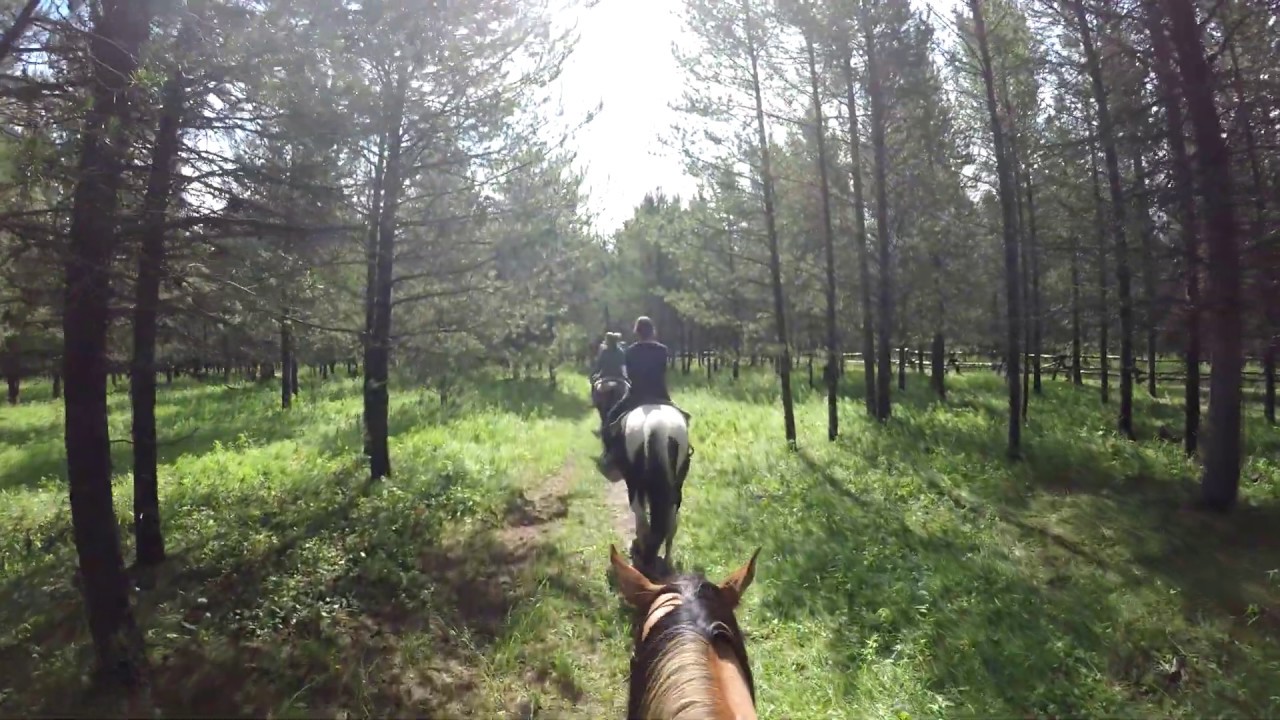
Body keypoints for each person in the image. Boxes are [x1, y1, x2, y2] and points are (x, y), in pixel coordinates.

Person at [600, 316, 689, 468]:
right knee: (685, 419)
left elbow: (629, 375)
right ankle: (685, 453)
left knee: (609, 420)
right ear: (652, 331)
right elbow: (663, 373)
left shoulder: (630, 351)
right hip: (661, 396)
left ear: (637, 332)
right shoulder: (663, 350)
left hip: (636, 396)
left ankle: (611, 455)